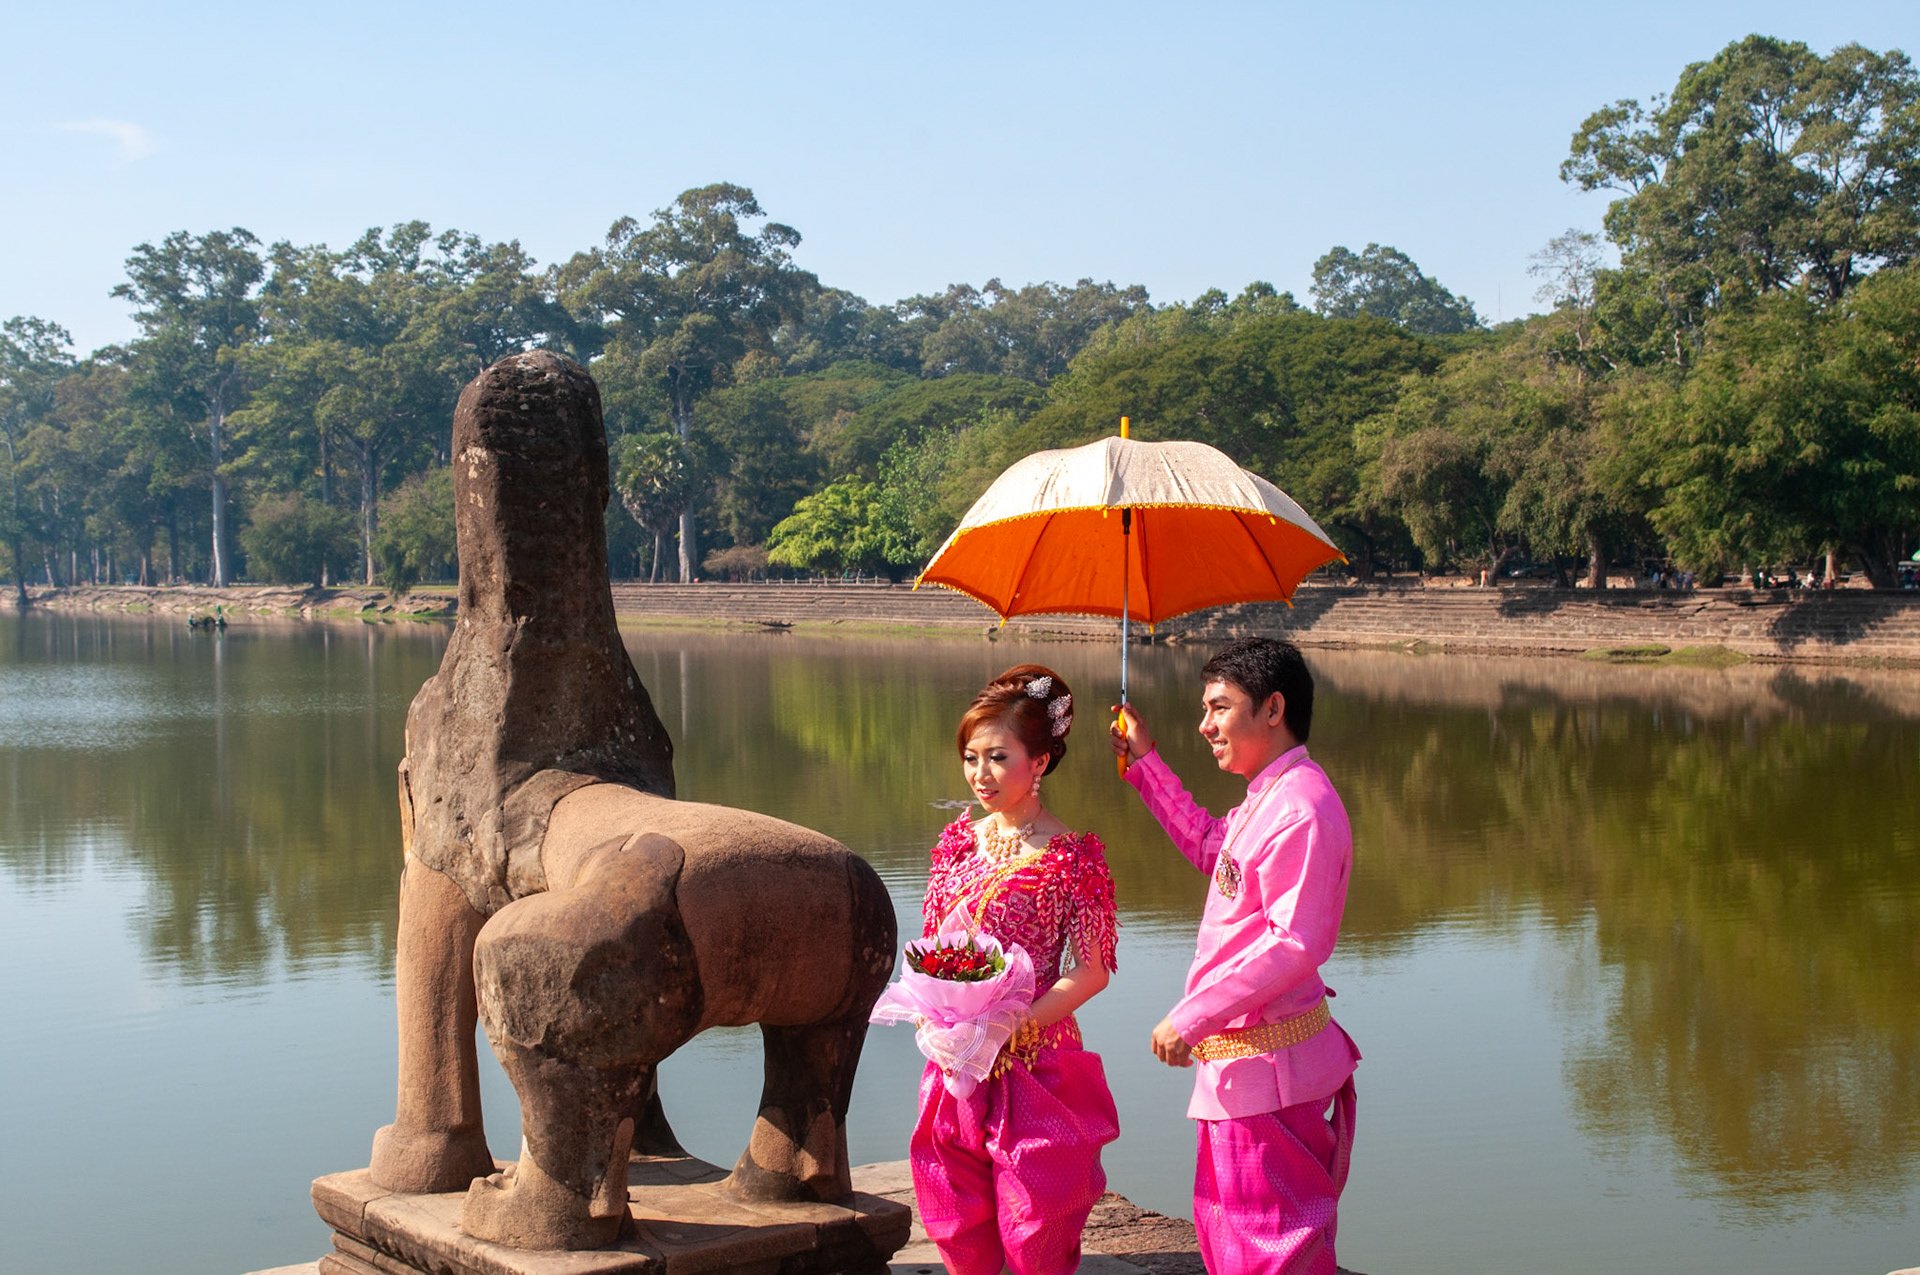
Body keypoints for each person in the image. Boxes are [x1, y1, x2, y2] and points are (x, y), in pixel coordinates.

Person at [1109, 637, 1360, 1275]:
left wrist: (1192, 1016)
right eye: (1205, 708)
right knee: (1230, 1237)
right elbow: (1213, 851)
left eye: (1220, 707)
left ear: (1273, 708)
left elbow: (1294, 943)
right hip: (1242, 1070)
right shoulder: (1267, 798)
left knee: (1268, 1247)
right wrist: (1146, 763)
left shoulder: (1302, 808)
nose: (1206, 724)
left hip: (1269, 1074)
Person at [911, 663, 1121, 1275]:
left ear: (1040, 763)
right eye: (971, 758)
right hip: (955, 1059)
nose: (981, 774)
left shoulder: (1071, 857)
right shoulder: (956, 844)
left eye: (998, 757)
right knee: (956, 1215)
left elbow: (1093, 970)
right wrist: (943, 1018)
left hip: (1034, 1056)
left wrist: (1013, 1022)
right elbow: (932, 949)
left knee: (1036, 1224)